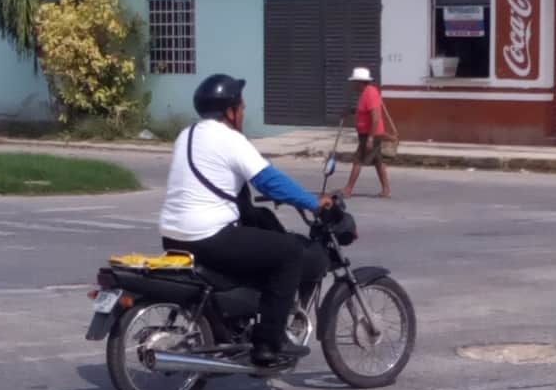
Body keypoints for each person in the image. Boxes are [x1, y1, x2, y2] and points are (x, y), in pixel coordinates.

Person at [159, 73, 332, 368]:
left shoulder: (186, 135)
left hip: (173, 235)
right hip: (208, 236)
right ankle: (267, 345)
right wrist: (313, 202)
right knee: (289, 253)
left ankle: (236, 323)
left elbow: (229, 188)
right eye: (241, 106)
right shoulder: (229, 139)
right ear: (230, 111)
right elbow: (270, 181)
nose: (244, 111)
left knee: (257, 243)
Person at [343, 66, 391, 199]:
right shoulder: (366, 93)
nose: (353, 84)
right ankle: (386, 189)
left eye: (354, 82)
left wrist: (370, 138)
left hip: (371, 134)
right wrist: (352, 111)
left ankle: (348, 189)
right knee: (378, 161)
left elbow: (375, 118)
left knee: (358, 160)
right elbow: (363, 111)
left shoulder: (370, 93)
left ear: (360, 82)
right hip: (368, 134)